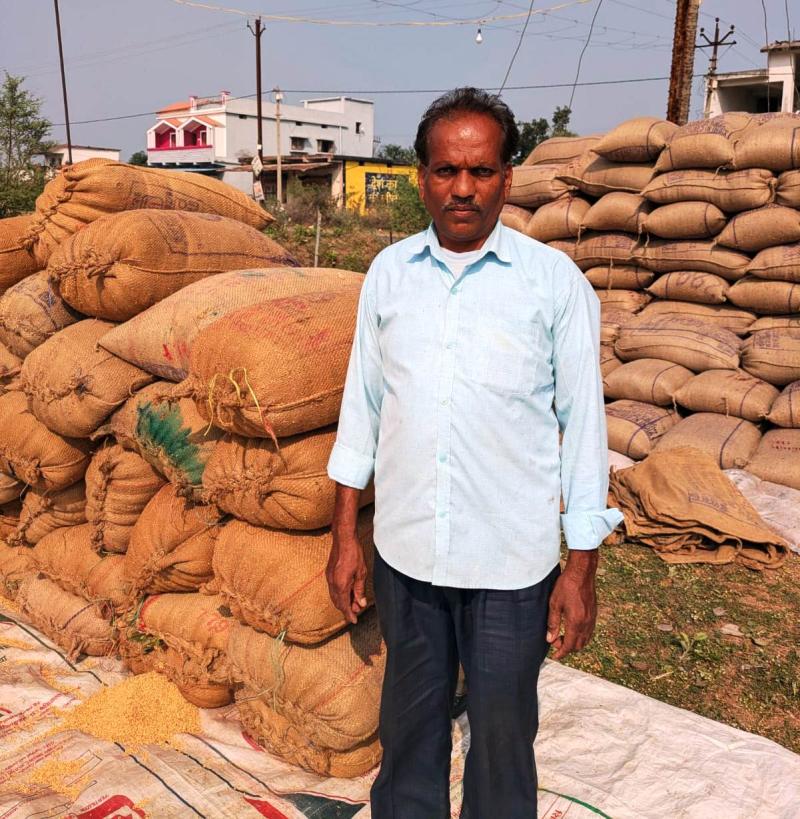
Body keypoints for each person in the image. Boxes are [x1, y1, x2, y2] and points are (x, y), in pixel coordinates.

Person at [325, 87, 622, 819]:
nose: (463, 188)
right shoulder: (389, 274)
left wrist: (580, 568)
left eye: (481, 170)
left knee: (501, 737)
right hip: (408, 557)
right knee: (409, 731)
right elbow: (362, 411)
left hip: (509, 567)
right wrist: (344, 535)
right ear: (421, 176)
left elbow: (585, 432)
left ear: (506, 177)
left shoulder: (552, 285)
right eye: (447, 170)